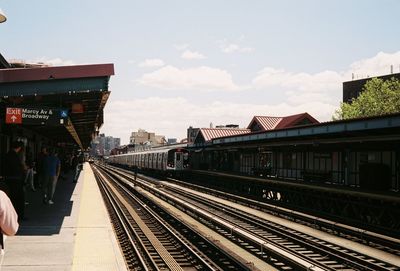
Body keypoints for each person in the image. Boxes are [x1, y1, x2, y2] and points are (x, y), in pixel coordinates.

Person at [3, 141, 26, 221]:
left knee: (11, 199)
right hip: (16, 180)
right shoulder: (16, 156)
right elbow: (18, 169)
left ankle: (11, 216)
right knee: (18, 199)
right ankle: (18, 216)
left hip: (8, 180)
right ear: (19, 148)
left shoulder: (6, 155)